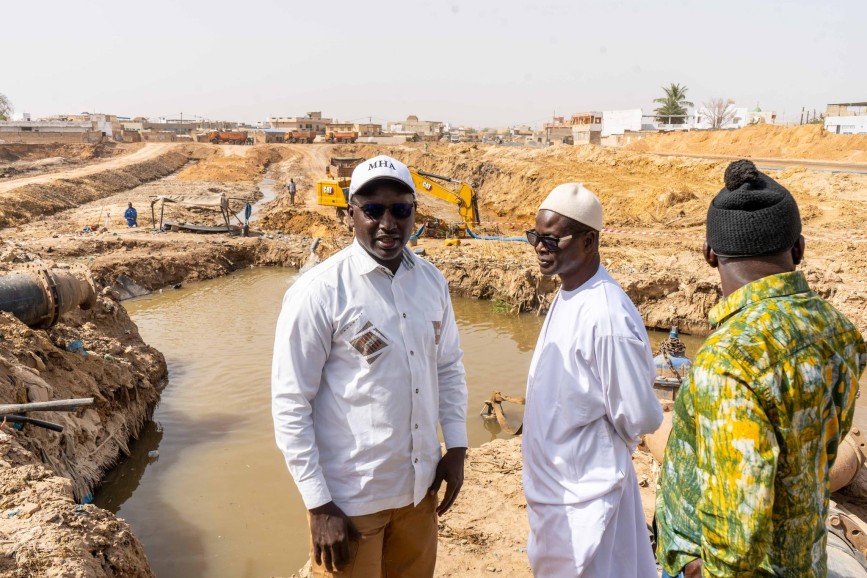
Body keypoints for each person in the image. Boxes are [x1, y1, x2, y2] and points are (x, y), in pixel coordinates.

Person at [655, 160, 867, 578]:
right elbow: (827, 444)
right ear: (799, 248)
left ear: (709, 254)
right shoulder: (840, 333)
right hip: (804, 559)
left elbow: (737, 530)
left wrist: (700, 568)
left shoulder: (729, 360)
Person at [272, 154, 468, 577]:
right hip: (350, 502)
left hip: (418, 493)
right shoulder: (319, 292)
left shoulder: (432, 282)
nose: (388, 223)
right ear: (350, 215)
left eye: (400, 210)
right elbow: (291, 403)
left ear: (415, 213)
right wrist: (318, 504)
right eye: (373, 210)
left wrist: (456, 446)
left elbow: (448, 366)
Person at [522, 183, 663, 578]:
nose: (539, 247)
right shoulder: (569, 294)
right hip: (558, 490)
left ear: (588, 241)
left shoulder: (606, 315)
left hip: (587, 493)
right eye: (535, 236)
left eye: (551, 238)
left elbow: (638, 415)